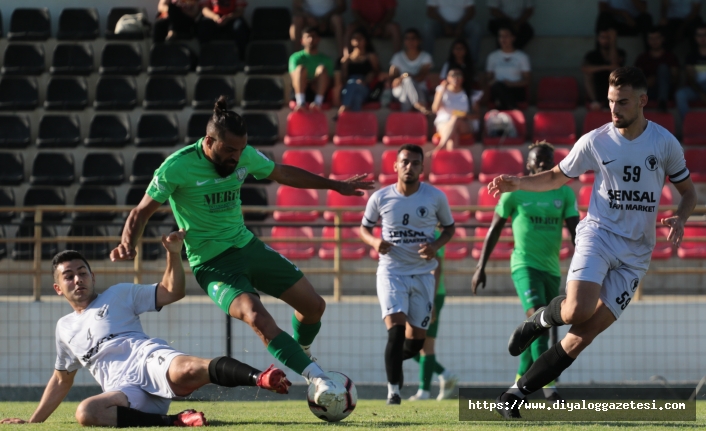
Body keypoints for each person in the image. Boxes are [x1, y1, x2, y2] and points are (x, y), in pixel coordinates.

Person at [110, 96, 374, 411]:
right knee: (256, 315)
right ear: (209, 141)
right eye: (230, 150)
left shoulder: (245, 155)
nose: (237, 158)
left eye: (241, 150)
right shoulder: (176, 167)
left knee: (314, 307)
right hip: (213, 264)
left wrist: (334, 185)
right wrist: (128, 242)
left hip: (248, 246)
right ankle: (316, 377)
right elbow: (141, 212)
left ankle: (300, 349)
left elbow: (283, 174)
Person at [488, 66, 696, 419]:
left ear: (643, 101)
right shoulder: (596, 140)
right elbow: (556, 177)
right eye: (611, 102)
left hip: (636, 255)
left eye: (623, 102)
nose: (615, 110)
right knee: (575, 311)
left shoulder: (664, 143)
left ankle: (515, 396)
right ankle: (537, 322)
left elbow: (688, 193)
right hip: (598, 235)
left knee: (582, 335)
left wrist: (681, 215)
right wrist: (517, 182)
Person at [0, 236, 291, 427]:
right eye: (69, 276)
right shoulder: (64, 328)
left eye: (82, 272)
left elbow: (172, 291)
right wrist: (33, 422)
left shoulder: (119, 294)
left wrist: (173, 255)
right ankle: (174, 421)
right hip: (121, 390)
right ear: (58, 288)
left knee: (188, 370)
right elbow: (62, 379)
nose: (78, 279)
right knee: (86, 413)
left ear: (93, 275)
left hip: (147, 359)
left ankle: (261, 377)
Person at [472, 141, 579, 403]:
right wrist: (480, 266)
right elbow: (495, 228)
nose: (543, 163)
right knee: (539, 320)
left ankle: (518, 385)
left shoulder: (564, 194)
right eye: (538, 159)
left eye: (548, 159)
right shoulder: (514, 193)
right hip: (524, 265)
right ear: (528, 164)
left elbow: (576, 231)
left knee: (541, 327)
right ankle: (549, 387)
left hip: (552, 270)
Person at [360, 144, 456, 405]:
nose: (409, 167)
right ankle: (393, 391)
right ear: (395, 166)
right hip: (391, 271)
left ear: (422, 168)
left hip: (423, 274)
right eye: (405, 162)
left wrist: (435, 246)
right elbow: (364, 229)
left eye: (415, 163)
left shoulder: (435, 197)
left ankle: (394, 364)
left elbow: (449, 228)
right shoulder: (380, 198)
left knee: (414, 344)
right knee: (395, 330)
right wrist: (373, 242)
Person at [408, 227, 458, 401]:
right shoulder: (410, 231)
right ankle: (445, 374)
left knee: (426, 345)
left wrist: (430, 300)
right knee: (408, 346)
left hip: (430, 295)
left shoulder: (435, 236)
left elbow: (436, 269)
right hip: (413, 293)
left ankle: (424, 391)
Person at [431, 67, 481, 152]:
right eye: (453, 75)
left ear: (463, 78)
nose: (456, 78)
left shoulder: (469, 94)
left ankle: (440, 147)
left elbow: (477, 115)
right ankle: (452, 162)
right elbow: (435, 109)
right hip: (444, 123)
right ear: (448, 78)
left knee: (456, 118)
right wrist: (443, 89)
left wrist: (465, 115)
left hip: (464, 124)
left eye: (459, 75)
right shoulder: (441, 90)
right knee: (453, 136)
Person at [335, 28, 381, 115]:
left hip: (364, 85)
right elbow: (344, 78)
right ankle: (355, 125)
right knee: (357, 97)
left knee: (354, 85)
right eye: (355, 38)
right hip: (349, 86)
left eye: (360, 39)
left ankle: (344, 108)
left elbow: (377, 72)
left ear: (365, 41)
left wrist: (367, 79)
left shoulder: (370, 56)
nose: (357, 41)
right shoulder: (346, 59)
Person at [289, 27, 335, 110]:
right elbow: (294, 77)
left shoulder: (326, 59)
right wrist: (308, 82)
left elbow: (330, 80)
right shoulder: (295, 57)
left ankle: (318, 103)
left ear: (318, 39)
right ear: (302, 40)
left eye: (313, 36)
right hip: (301, 89)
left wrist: (315, 83)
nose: (311, 39)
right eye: (308, 37)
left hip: (317, 90)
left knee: (321, 69)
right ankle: (301, 103)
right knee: (300, 69)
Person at [485, 25, 530, 110]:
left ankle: (507, 111)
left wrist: (512, 84)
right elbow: (488, 79)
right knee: (498, 87)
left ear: (513, 38)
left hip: (516, 89)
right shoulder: (492, 56)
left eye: (506, 36)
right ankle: (514, 110)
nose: (503, 39)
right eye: (500, 36)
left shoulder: (522, 57)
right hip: (497, 89)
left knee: (502, 97)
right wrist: (492, 82)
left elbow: (527, 80)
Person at [634, 27, 679, 112]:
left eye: (657, 38)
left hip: (667, 91)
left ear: (662, 39)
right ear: (648, 40)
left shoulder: (670, 57)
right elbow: (636, 81)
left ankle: (662, 103)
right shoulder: (642, 58)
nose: (654, 41)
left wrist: (660, 78)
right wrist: (647, 82)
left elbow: (675, 79)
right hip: (648, 91)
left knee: (663, 68)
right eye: (651, 38)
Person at [423, 0, 482, 64]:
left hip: (463, 24)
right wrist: (445, 25)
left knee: (476, 28)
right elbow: (430, 12)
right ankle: (427, 63)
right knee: (428, 28)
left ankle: (472, 62)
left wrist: (460, 26)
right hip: (441, 24)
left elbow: (471, 11)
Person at [583, 26, 626, 110]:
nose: (606, 40)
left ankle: (612, 101)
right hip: (597, 86)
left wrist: (613, 42)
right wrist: (607, 67)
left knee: (616, 74)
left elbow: (615, 64)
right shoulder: (592, 55)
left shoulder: (620, 52)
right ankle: (594, 102)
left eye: (608, 38)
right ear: (598, 39)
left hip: (613, 86)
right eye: (603, 37)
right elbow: (585, 69)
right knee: (588, 76)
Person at [675, 23, 706, 119]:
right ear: (695, 38)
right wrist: (701, 93)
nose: (702, 38)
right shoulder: (691, 56)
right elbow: (691, 78)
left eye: (705, 35)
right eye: (699, 35)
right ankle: (689, 123)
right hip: (696, 89)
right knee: (680, 94)